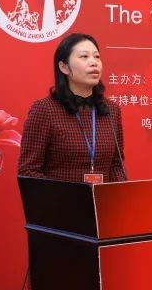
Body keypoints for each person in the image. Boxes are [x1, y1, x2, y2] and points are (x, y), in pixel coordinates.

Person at [18, 33, 127, 183]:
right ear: (64, 67)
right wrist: (65, 194)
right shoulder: (45, 110)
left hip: (104, 198)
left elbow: (116, 165)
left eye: (97, 57)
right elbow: (28, 171)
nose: (94, 63)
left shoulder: (111, 110)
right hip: (61, 198)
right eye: (84, 57)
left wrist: (121, 193)